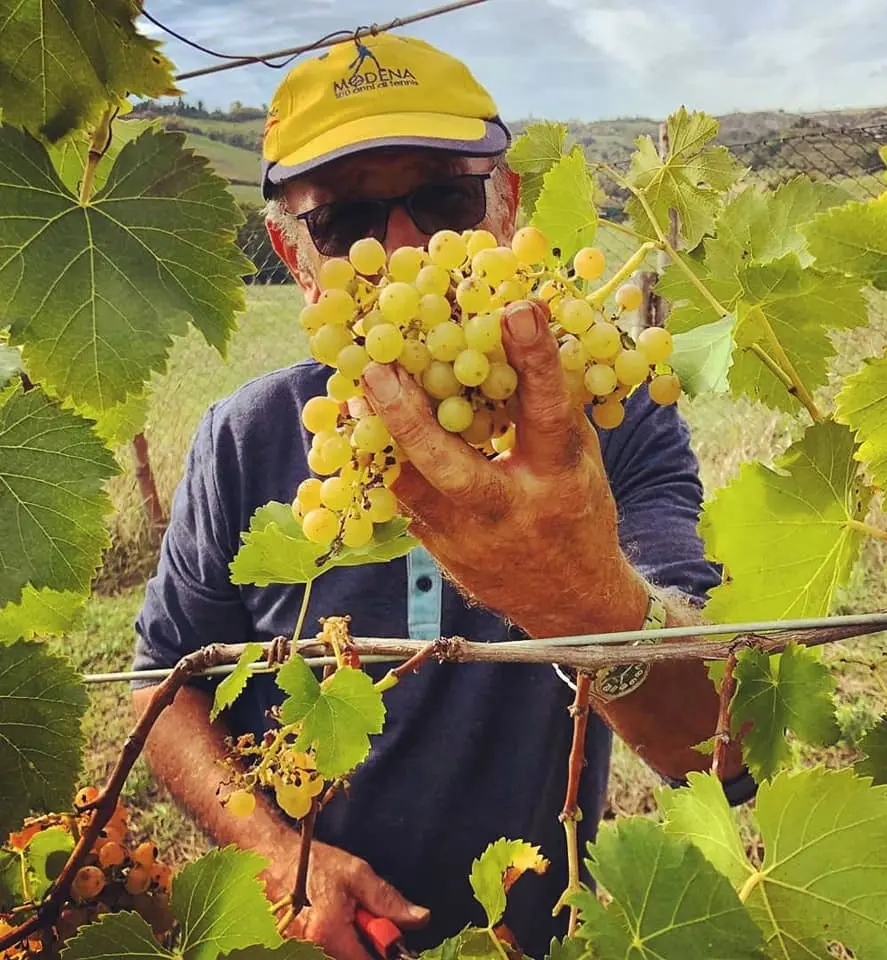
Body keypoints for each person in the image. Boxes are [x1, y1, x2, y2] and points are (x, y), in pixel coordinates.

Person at [132, 31, 755, 960]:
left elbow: (713, 750)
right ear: (294, 253)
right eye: (345, 222)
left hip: (541, 933)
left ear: (503, 206)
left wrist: (580, 601)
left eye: (444, 198)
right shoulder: (247, 437)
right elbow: (160, 681)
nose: (405, 249)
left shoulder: (608, 421)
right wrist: (273, 851)